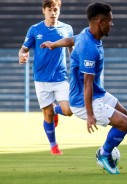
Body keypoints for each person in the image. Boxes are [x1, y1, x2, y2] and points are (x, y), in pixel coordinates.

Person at [41, 2, 127, 174]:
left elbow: (72, 40)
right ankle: (104, 153)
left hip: (97, 93)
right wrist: (90, 114)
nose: (112, 24)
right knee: (124, 124)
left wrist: (53, 44)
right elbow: (87, 83)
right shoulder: (89, 48)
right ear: (100, 22)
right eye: (110, 20)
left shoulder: (86, 34)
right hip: (83, 100)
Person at [18, 0, 73, 155]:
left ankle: (56, 109)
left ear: (59, 11)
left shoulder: (67, 29)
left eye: (56, 10)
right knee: (47, 114)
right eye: (50, 10)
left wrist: (77, 66)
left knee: (69, 110)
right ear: (44, 11)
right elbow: (23, 49)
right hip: (41, 79)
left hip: (60, 77)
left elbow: (72, 50)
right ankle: (53, 146)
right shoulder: (35, 29)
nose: (53, 13)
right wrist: (22, 56)